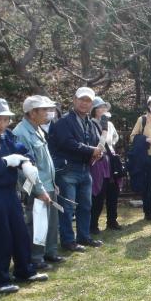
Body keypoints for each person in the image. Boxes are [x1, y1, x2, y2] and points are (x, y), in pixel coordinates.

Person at [0, 98, 49, 293]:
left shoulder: (7, 135)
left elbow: (22, 151)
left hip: (9, 191)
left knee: (20, 232)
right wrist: (5, 162)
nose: (2, 125)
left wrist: (27, 162)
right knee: (1, 236)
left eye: (6, 120)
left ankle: (25, 270)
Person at [13, 95, 65, 270]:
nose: (49, 113)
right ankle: (35, 257)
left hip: (48, 184)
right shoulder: (21, 133)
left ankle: (49, 252)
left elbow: (45, 162)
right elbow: (25, 168)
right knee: (37, 223)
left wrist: (52, 182)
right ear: (32, 112)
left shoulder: (38, 129)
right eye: (45, 110)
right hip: (37, 187)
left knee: (51, 221)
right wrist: (38, 190)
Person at [49, 87, 104, 251]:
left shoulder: (91, 122)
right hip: (67, 169)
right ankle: (68, 240)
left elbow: (94, 142)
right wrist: (91, 150)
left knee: (86, 206)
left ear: (92, 104)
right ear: (74, 100)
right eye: (81, 99)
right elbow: (67, 143)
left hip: (85, 169)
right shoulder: (64, 121)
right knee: (68, 207)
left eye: (88, 101)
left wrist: (96, 153)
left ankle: (84, 237)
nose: (84, 103)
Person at [90, 97, 122, 233]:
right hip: (98, 161)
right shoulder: (91, 124)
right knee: (98, 193)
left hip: (111, 160)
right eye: (99, 107)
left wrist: (111, 147)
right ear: (94, 110)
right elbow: (95, 142)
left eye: (104, 107)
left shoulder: (110, 124)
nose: (103, 110)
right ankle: (93, 224)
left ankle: (112, 221)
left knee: (113, 192)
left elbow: (115, 138)